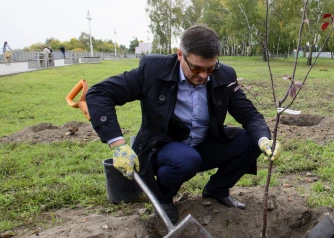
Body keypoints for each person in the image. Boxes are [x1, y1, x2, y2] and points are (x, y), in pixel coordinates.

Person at [87, 24, 281, 224]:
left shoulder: (225, 75)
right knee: (186, 160)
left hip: (203, 143)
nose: (204, 76)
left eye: (210, 68)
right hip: (162, 147)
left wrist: (264, 138)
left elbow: (248, 114)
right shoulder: (153, 71)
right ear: (180, 55)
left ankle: (217, 190)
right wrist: (117, 144)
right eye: (196, 68)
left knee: (252, 139)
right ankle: (163, 198)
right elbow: (99, 93)